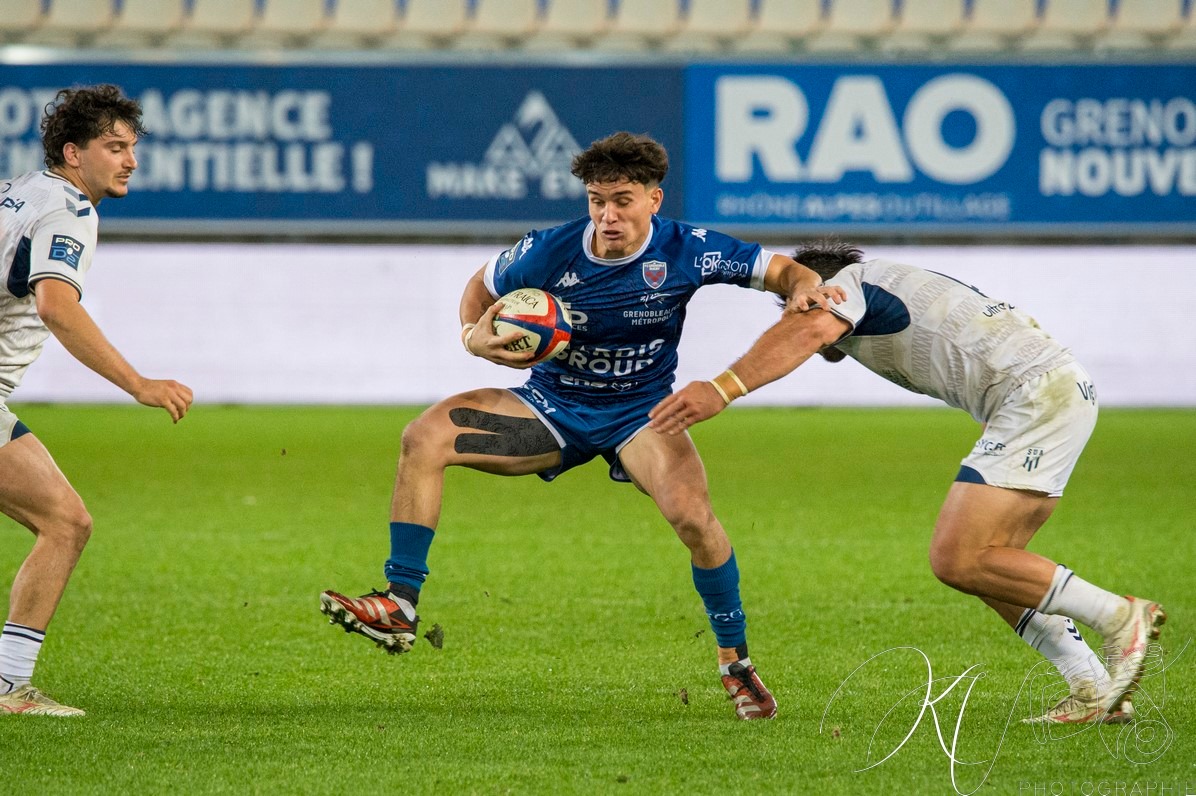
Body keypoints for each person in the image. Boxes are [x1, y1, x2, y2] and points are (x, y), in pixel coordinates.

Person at [320, 131, 842, 721]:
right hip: (553, 408)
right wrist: (476, 338)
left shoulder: (690, 249)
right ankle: (399, 603)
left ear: (654, 199)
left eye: (622, 199)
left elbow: (783, 271)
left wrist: (805, 288)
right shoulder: (550, 250)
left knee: (695, 520)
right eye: (597, 200)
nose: (607, 214)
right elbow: (478, 288)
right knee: (425, 436)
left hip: (642, 414)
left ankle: (735, 664)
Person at [649, 239, 1166, 725]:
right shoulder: (887, 282)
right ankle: (1094, 688)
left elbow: (808, 331)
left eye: (793, 301)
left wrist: (721, 389)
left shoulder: (846, 284)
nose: (791, 312)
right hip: (1049, 395)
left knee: (957, 558)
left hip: (1035, 399)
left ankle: (1121, 617)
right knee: (992, 565)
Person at [0, 85, 194, 717]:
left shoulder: (16, 190)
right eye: (115, 147)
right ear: (73, 153)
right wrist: (139, 384)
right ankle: (8, 688)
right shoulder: (69, 211)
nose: (129, 160)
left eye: (132, 147)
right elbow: (58, 305)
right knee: (66, 523)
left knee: (64, 522)